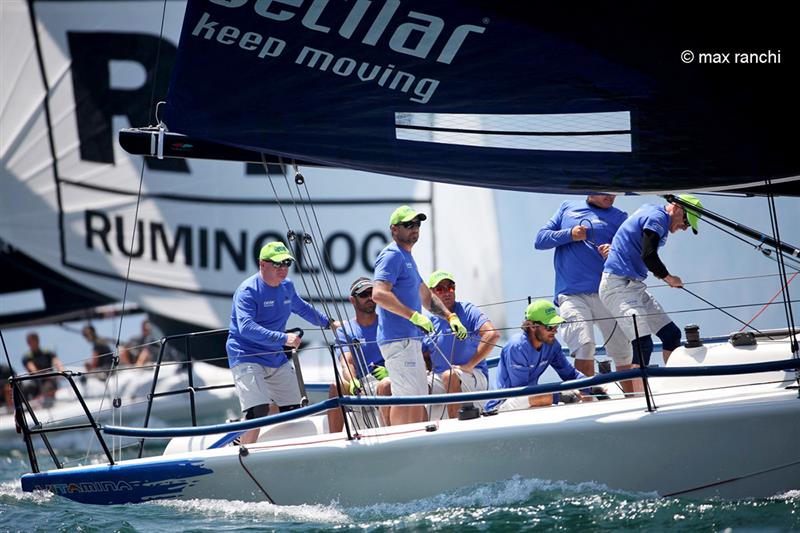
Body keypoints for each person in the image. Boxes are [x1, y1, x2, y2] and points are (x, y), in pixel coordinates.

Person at [227, 241, 339, 444]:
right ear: (262, 264)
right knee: (258, 409)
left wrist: (330, 323)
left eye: (287, 263)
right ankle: (241, 444)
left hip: (274, 356)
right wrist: (283, 338)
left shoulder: (287, 286)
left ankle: (241, 425)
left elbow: (303, 308)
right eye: (278, 264)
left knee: (293, 409)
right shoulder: (248, 291)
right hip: (246, 355)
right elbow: (245, 327)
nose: (283, 269)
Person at [372, 205, 468, 426]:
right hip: (397, 339)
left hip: (409, 339)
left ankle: (415, 439)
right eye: (408, 225)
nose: (414, 229)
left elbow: (426, 295)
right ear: (394, 229)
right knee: (407, 398)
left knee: (417, 397)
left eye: (417, 224)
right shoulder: (391, 255)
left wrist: (450, 317)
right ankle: (399, 441)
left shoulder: (407, 257)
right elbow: (378, 294)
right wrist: (414, 317)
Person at [535, 194, 638, 394]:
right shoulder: (567, 207)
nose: (612, 195)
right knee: (584, 345)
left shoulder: (619, 217)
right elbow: (540, 240)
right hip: (571, 295)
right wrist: (570, 234)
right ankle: (586, 403)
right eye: (606, 191)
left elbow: (634, 254)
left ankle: (632, 398)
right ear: (591, 190)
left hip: (607, 293)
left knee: (623, 352)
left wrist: (615, 252)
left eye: (614, 191)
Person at [599, 194, 703, 368]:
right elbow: (648, 255)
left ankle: (674, 383)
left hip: (634, 285)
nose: (685, 228)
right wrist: (669, 278)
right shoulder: (658, 218)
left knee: (671, 335)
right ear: (676, 207)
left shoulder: (653, 212)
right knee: (643, 344)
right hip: (618, 285)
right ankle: (636, 395)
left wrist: (657, 272)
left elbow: (635, 244)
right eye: (686, 221)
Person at [423, 270, 499, 419]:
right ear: (432, 294)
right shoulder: (428, 321)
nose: (447, 292)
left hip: (472, 374)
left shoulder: (467, 310)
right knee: (416, 385)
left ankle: (454, 430)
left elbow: (493, 334)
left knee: (449, 375)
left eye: (450, 287)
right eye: (440, 289)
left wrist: (469, 365)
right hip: (440, 378)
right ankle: (419, 436)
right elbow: (423, 354)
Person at [492, 300, 586, 411]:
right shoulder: (517, 346)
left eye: (556, 326)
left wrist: (593, 386)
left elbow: (570, 374)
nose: (555, 331)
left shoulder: (552, 344)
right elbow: (521, 391)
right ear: (532, 326)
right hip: (504, 403)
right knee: (553, 396)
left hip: (530, 399)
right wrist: (559, 396)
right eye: (550, 326)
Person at [327, 277, 391, 433]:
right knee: (337, 386)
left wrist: (389, 372)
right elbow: (346, 362)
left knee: (386, 384)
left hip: (385, 380)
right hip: (359, 383)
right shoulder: (345, 330)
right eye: (363, 295)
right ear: (353, 300)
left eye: (372, 293)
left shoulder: (388, 324)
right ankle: (334, 440)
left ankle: (390, 436)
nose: (369, 298)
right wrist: (353, 380)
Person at [22, 332, 65, 403]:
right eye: (29, 342)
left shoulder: (47, 352)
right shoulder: (27, 357)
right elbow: (33, 370)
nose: (31, 343)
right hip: (36, 383)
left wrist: (62, 371)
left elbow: (57, 362)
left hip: (50, 380)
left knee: (48, 386)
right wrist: (42, 374)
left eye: (33, 340)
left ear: (38, 341)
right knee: (25, 388)